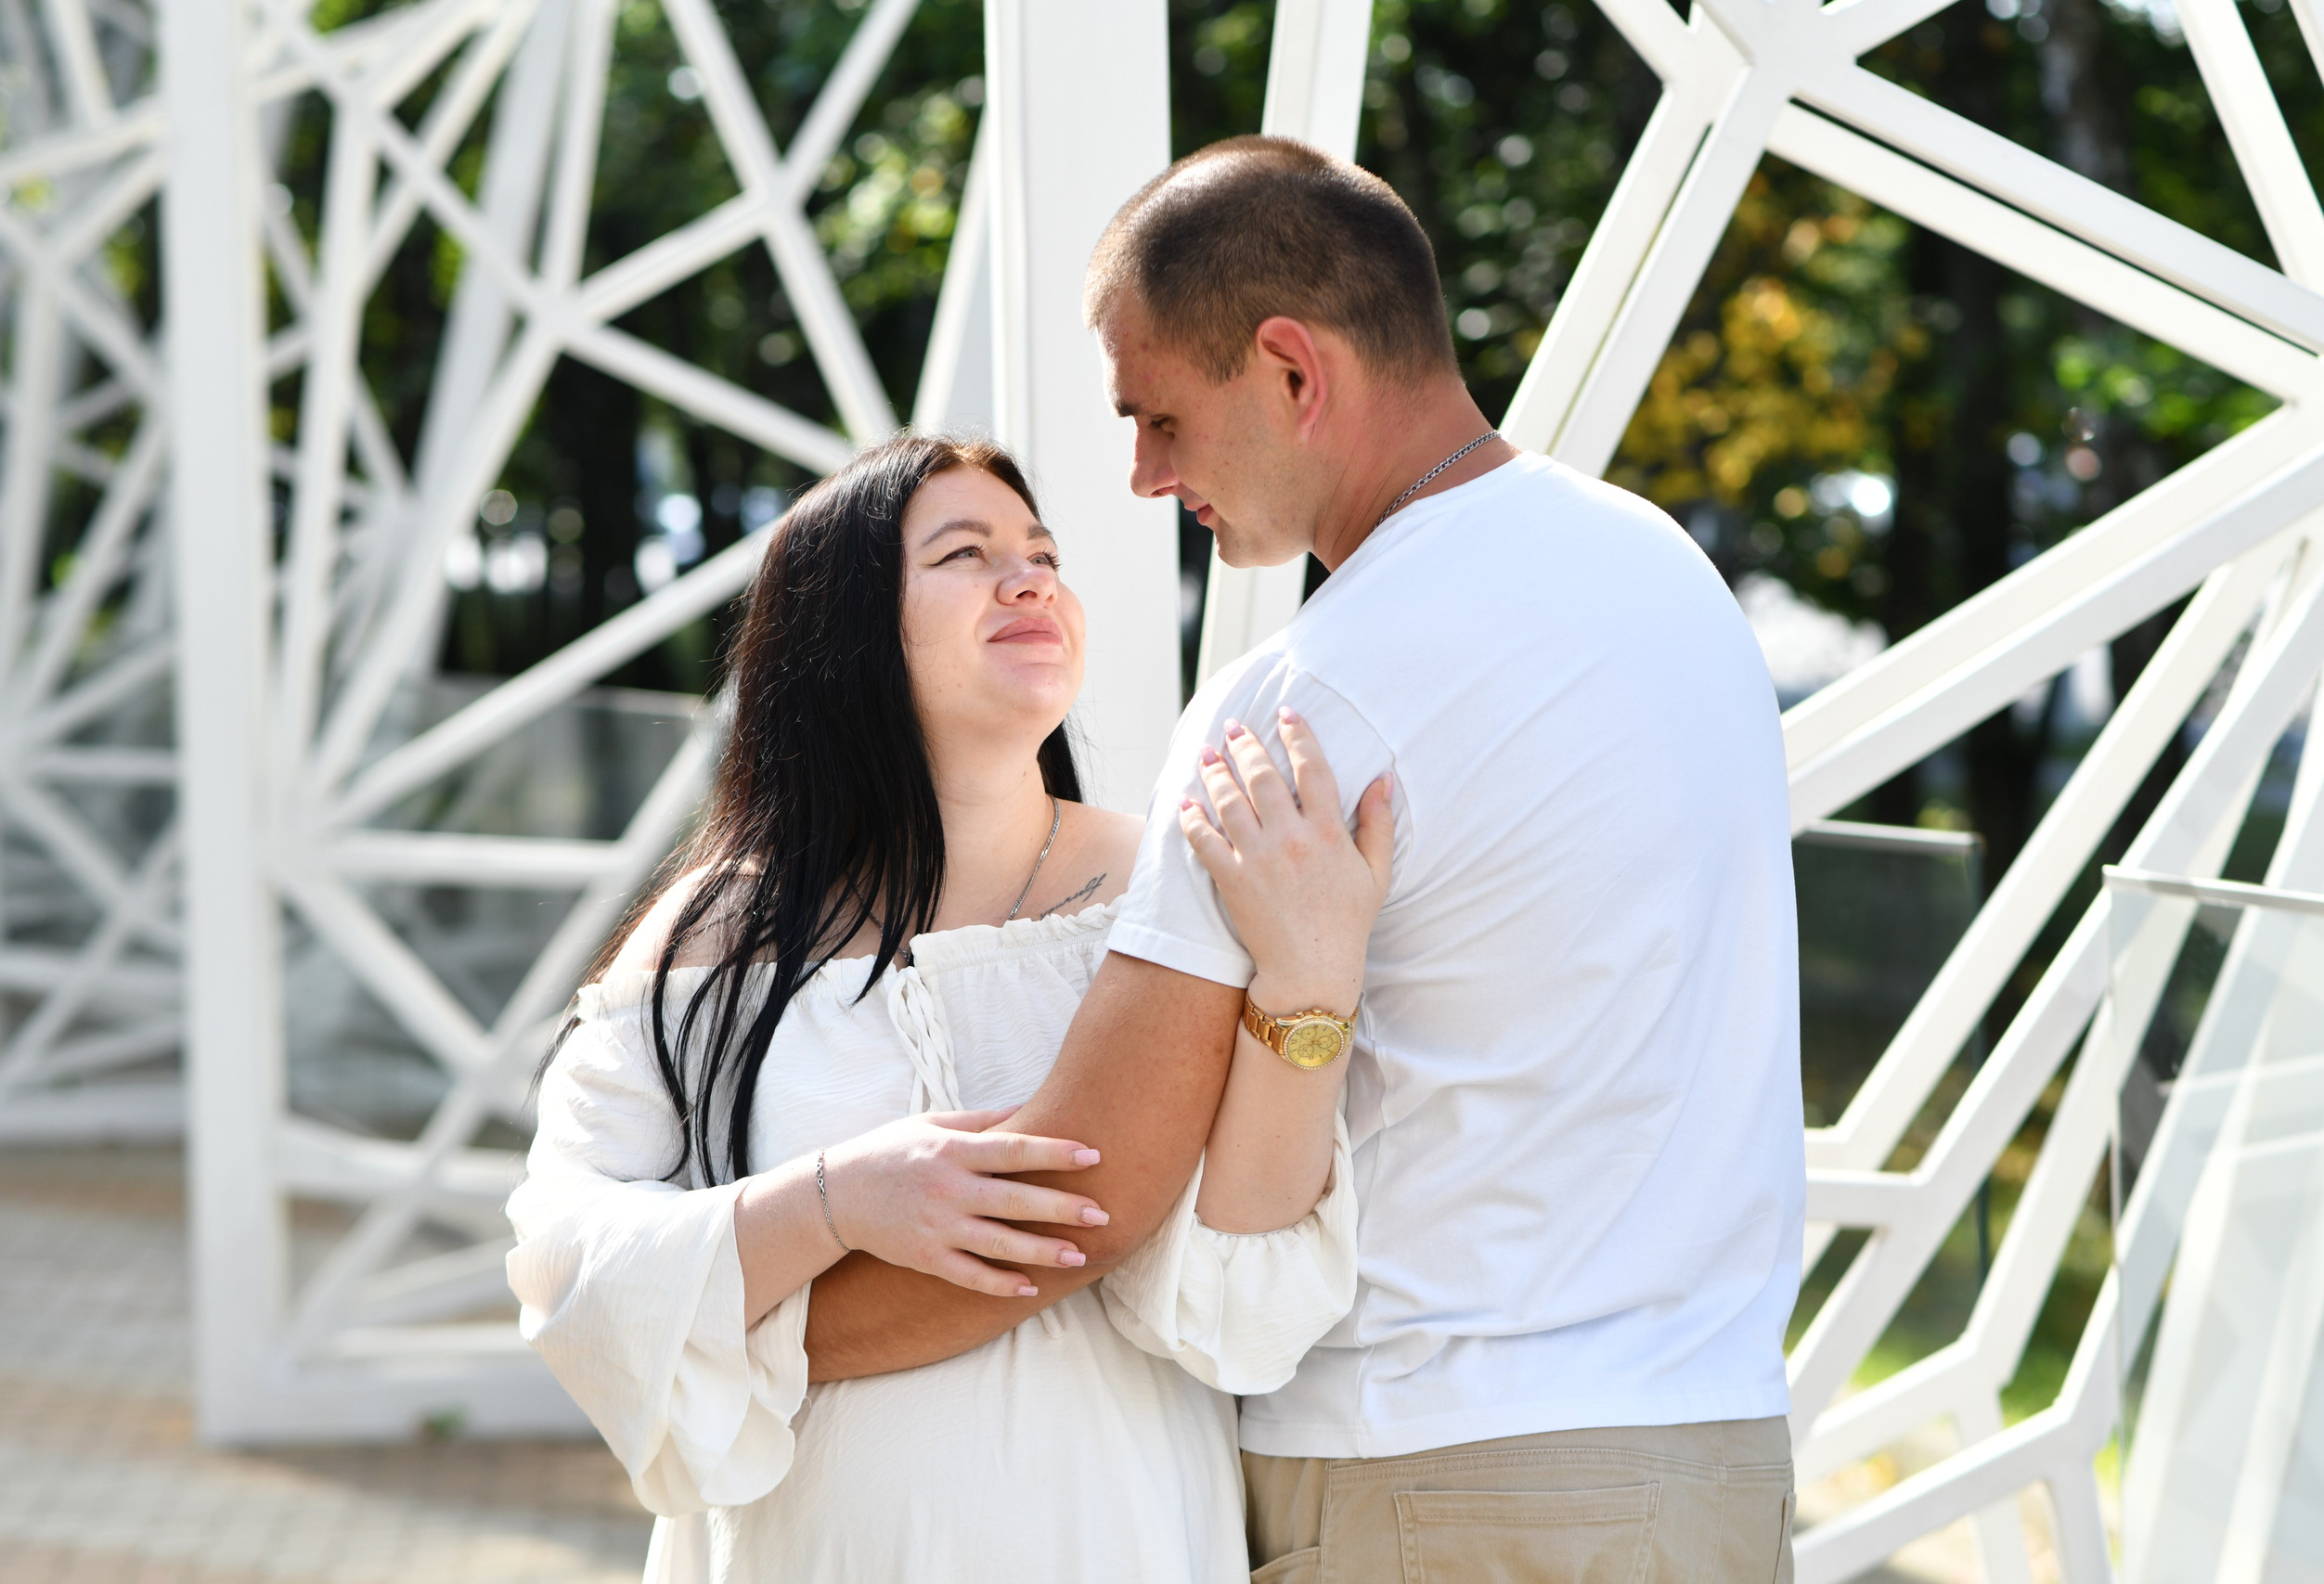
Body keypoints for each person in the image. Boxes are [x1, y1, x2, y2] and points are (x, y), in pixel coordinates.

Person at [800, 137, 1806, 1581]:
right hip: (1713, 1457)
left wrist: (736, 1333)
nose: (1146, 475)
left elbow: (1083, 1188)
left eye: (1159, 416)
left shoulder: (1306, 704)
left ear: (1291, 370)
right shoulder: (1669, 580)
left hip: (1429, 1479)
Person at [506, 433, 1392, 1582]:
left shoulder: (1170, 894)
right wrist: (836, 1201)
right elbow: (571, 1269)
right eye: (965, 554)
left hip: (1110, 1538)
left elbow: (1244, 1313)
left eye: (1042, 555)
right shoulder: (709, 939)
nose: (1028, 581)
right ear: (843, 630)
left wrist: (1310, 987)